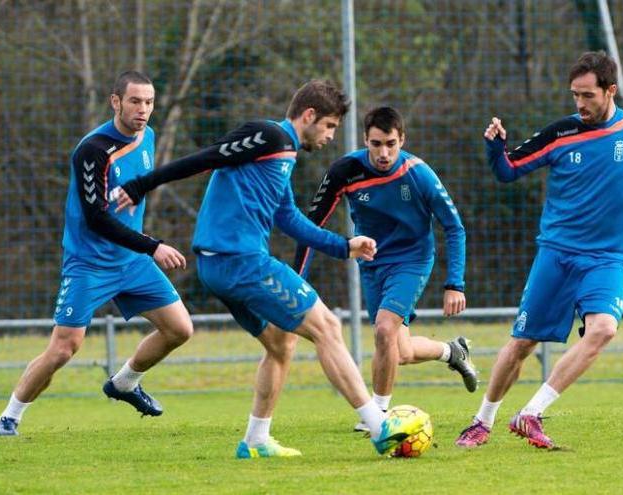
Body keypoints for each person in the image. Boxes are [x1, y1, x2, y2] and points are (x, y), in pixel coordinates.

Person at [112, 80, 425, 457]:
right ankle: (379, 427)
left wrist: (344, 246)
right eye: (328, 127)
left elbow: (288, 217)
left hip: (221, 265)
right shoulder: (270, 135)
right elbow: (208, 156)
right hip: (239, 260)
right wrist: (142, 184)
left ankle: (255, 440)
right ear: (309, 115)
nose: (329, 137)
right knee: (327, 326)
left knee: (281, 342)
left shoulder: (283, 154)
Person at [454, 51, 623, 449]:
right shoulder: (562, 133)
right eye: (574, 95)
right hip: (557, 254)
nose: (579, 104)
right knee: (523, 343)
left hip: (608, 258)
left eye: (588, 96)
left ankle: (531, 413)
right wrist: (496, 148)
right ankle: (482, 421)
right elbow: (508, 171)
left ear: (610, 90)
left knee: (604, 329)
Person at [0, 71, 194, 436]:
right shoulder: (93, 150)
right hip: (90, 264)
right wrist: (153, 246)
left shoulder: (148, 137)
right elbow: (97, 219)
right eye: (135, 101)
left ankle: (124, 383)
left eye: (149, 102)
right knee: (64, 349)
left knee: (180, 329)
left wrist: (142, 247)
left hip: (130, 261)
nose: (143, 110)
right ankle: (10, 417)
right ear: (115, 101)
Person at [293, 106, 478, 432]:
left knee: (383, 329)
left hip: (412, 260)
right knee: (399, 350)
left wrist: (455, 283)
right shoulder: (345, 171)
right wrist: (295, 281)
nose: (383, 152)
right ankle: (452, 351)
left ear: (402, 140)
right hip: (372, 263)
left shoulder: (419, 174)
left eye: (391, 144)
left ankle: (377, 414)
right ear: (365, 139)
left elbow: (455, 227)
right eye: (376, 144)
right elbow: (311, 228)